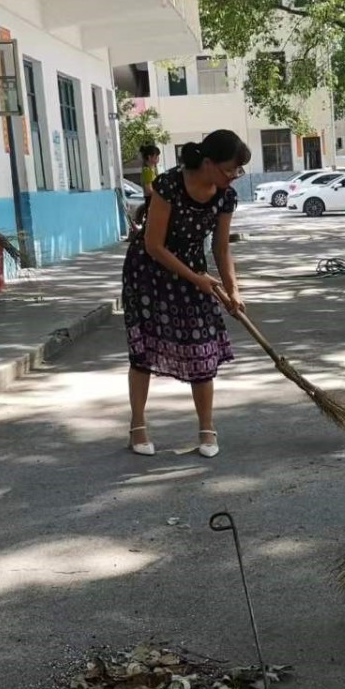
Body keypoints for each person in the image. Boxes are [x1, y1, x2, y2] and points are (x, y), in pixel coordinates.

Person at [122, 129, 250, 460]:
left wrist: (233, 291)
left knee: (202, 347)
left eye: (238, 171)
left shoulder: (225, 196)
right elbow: (153, 245)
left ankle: (207, 429)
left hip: (194, 269)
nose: (234, 177)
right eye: (230, 169)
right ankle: (138, 425)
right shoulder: (168, 185)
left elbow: (222, 249)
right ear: (208, 163)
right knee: (145, 350)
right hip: (149, 271)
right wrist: (197, 278)